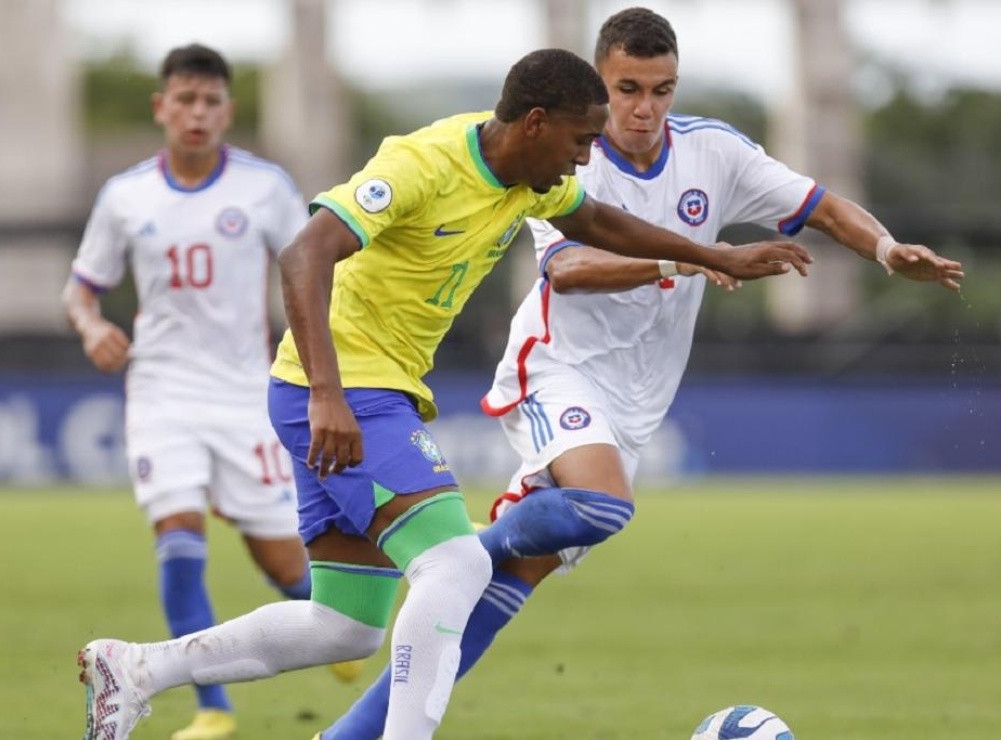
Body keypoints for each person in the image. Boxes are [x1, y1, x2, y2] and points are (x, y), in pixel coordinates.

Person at [77, 46, 812, 740]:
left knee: (345, 626)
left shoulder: (535, 178)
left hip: (356, 390)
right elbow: (305, 253)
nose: (588, 156)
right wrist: (328, 396)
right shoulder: (423, 162)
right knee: (458, 563)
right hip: (346, 389)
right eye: (581, 140)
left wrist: (712, 253)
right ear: (536, 124)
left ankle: (138, 668)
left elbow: (595, 220)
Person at [317, 8, 966, 739]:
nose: (645, 108)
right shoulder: (563, 159)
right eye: (629, 88)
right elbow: (569, 271)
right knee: (599, 508)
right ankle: (459, 548)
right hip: (557, 369)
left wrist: (884, 250)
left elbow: (817, 205)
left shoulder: (714, 153)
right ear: (602, 82)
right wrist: (693, 255)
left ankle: (346, 733)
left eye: (662, 90)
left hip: (638, 399)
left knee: (505, 587)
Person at [63, 44, 360, 740]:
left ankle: (330, 621)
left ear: (228, 110)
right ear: (161, 107)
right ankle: (211, 711)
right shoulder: (125, 195)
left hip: (243, 394)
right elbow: (82, 288)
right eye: (184, 100)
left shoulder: (263, 188)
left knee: (280, 557)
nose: (197, 114)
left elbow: (309, 279)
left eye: (211, 102)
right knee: (177, 531)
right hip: (161, 392)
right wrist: (90, 327)